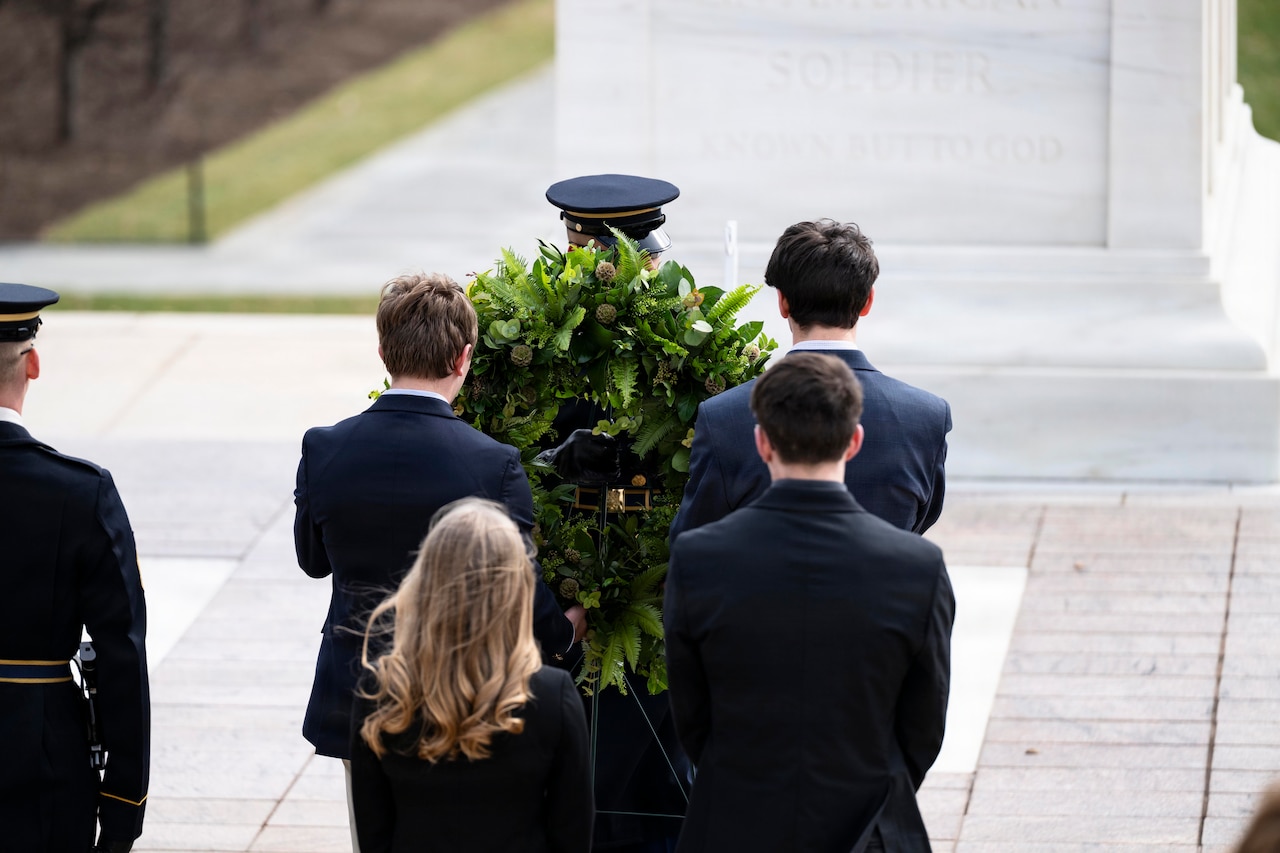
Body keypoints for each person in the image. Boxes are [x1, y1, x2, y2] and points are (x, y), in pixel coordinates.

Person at [294, 272, 585, 848]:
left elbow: (313, 560)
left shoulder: (323, 446)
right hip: (473, 686)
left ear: (383, 352)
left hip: (363, 686)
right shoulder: (494, 463)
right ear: (464, 357)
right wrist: (567, 637)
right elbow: (519, 586)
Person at [664, 352, 954, 852]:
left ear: (761, 443)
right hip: (871, 826)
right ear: (855, 441)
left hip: (734, 819)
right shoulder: (916, 567)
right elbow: (924, 724)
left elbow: (692, 711)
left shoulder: (698, 558)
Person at [542, 176, 693, 852]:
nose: (651, 269)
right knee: (585, 785)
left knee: (655, 791)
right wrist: (556, 462)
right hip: (564, 601)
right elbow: (504, 452)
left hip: (650, 599)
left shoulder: (682, 340)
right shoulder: (548, 335)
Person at [668, 219, 952, 541]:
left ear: (783, 303)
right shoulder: (925, 416)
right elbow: (918, 522)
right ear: (867, 301)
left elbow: (695, 540)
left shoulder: (724, 416)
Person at [350, 498, 593, 853]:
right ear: (515, 588)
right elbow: (572, 833)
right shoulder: (549, 694)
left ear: (425, 583)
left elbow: (374, 834)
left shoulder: (384, 690)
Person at [0, 282, 150, 853]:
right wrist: (123, 805)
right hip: (42, 757)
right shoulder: (79, 493)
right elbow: (120, 655)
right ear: (32, 362)